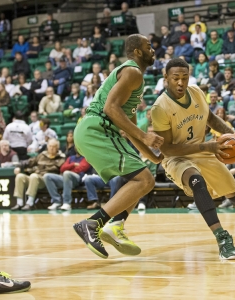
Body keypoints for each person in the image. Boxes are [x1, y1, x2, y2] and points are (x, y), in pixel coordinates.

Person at [151, 58, 235, 260]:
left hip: (203, 151)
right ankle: (222, 237)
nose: (180, 82)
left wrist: (234, 135)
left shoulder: (196, 92)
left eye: (184, 78)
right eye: (175, 78)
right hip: (176, 158)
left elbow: (211, 118)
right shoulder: (160, 107)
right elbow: (168, 149)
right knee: (197, 182)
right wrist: (207, 146)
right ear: (166, 79)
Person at [73, 34, 164, 259]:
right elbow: (110, 109)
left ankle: (116, 224)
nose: (153, 50)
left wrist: (154, 158)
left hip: (97, 131)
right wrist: (145, 136)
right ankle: (94, 223)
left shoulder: (134, 79)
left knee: (140, 179)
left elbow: (129, 130)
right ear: (137, 51)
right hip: (97, 129)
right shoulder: (132, 71)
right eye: (148, 46)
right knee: (144, 180)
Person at [11, 138, 65, 211]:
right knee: (20, 176)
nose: (52, 148)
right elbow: (29, 162)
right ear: (47, 146)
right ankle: (19, 203)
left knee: (33, 176)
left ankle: (30, 203)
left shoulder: (61, 158)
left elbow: (58, 170)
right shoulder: (42, 155)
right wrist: (19, 166)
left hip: (46, 180)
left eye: (54, 146)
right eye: (50, 146)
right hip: (35, 178)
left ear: (57, 147)